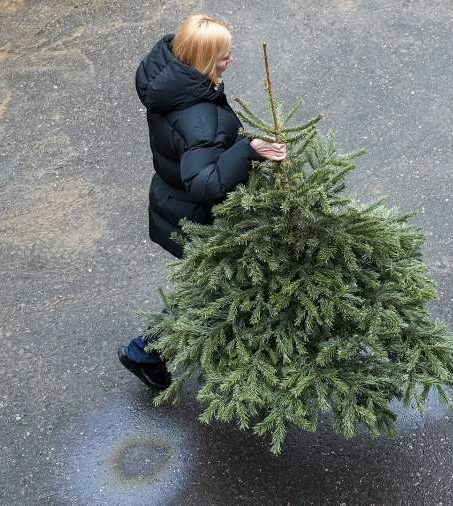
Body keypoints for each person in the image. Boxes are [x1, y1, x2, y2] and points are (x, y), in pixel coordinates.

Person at [118, 14, 286, 389]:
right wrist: (248, 150)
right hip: (198, 216)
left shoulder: (169, 80)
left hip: (171, 202)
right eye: (223, 56)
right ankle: (144, 352)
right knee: (213, 291)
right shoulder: (199, 118)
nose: (231, 61)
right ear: (203, 60)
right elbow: (205, 184)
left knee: (209, 287)